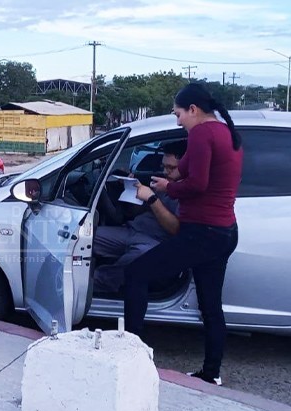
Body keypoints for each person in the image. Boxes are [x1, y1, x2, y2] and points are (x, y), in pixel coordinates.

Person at [123, 83, 243, 386]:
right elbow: (204, 177)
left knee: (136, 274)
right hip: (223, 231)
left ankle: (131, 357)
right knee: (211, 306)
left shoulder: (202, 132)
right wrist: (172, 178)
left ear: (193, 110)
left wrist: (166, 189)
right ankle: (211, 373)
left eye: (178, 114)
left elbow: (198, 185)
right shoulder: (224, 131)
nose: (177, 121)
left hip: (203, 233)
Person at [93, 141, 185, 293]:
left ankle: (92, 285)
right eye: (164, 167)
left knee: (140, 258)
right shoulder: (164, 182)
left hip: (156, 242)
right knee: (81, 238)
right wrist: (131, 190)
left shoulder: (188, 190)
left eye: (172, 168)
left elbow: (176, 229)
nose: (166, 172)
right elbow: (137, 213)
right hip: (132, 230)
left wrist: (151, 199)